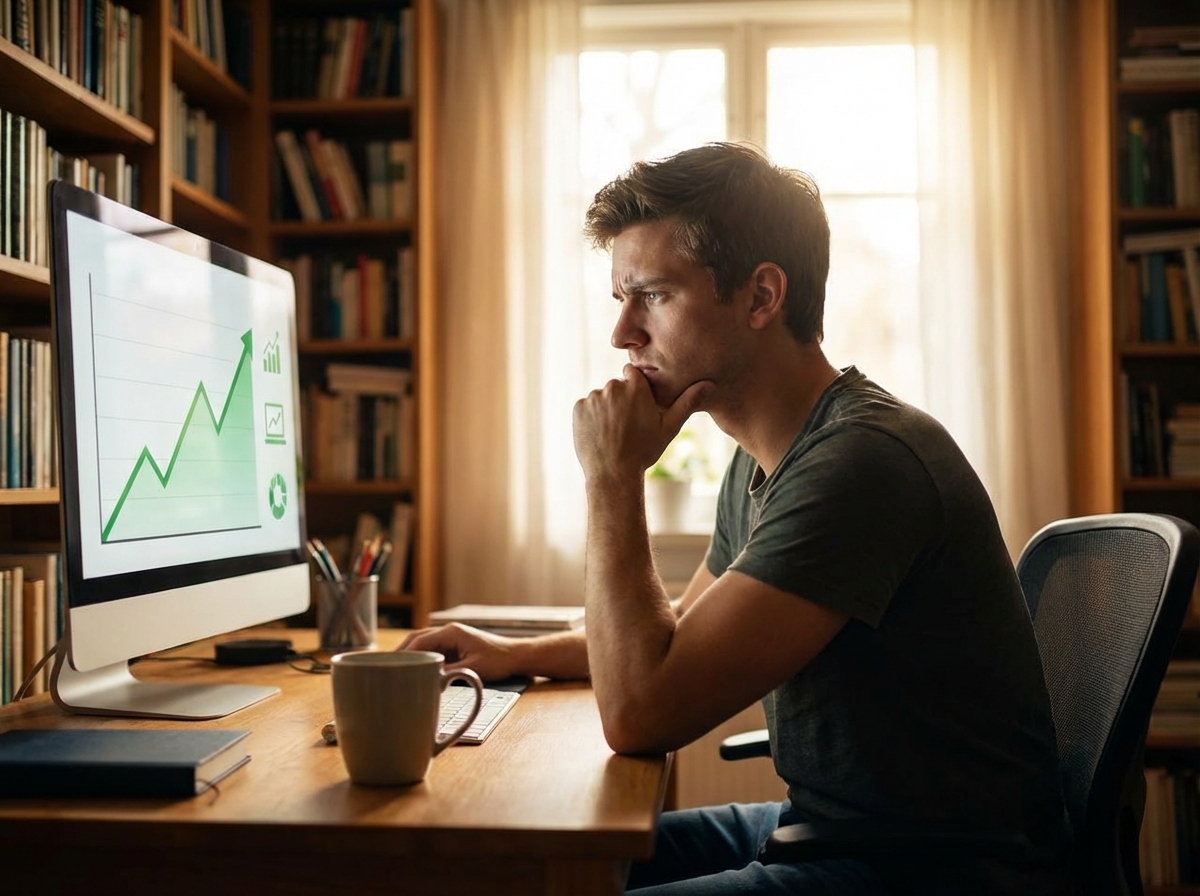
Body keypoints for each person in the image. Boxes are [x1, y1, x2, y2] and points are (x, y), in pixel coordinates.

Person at [401, 142, 1070, 895]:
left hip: (934, 870)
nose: (622, 334)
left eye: (651, 295)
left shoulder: (862, 463)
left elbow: (643, 713)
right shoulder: (763, 458)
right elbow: (680, 633)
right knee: (507, 867)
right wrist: (510, 653)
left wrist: (612, 478)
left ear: (760, 298)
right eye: (621, 300)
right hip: (837, 829)